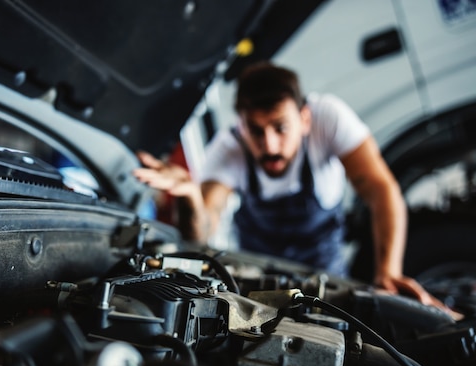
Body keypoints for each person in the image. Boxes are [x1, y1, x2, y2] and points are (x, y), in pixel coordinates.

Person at [133, 62, 440, 306]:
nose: (269, 145)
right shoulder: (228, 149)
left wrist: (388, 271)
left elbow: (380, 190)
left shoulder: (329, 119)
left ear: (304, 119)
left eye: (280, 127)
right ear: (242, 124)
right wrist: (190, 197)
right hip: (260, 277)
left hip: (327, 271)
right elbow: (202, 231)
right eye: (256, 130)